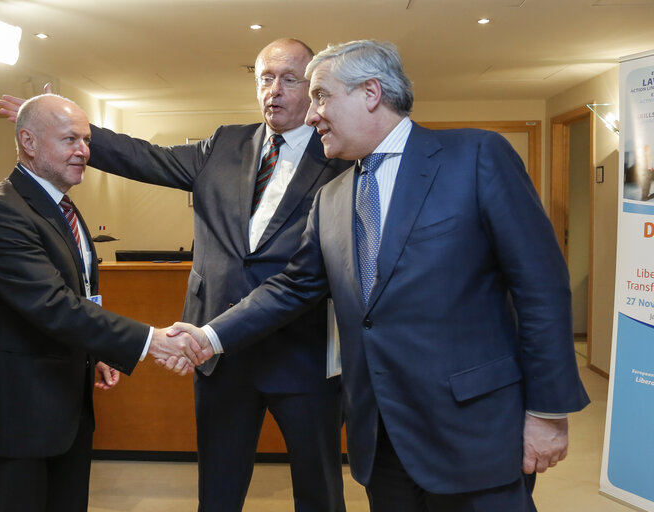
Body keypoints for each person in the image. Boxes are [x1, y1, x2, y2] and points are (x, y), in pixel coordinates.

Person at [171, 40, 591, 512]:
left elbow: (541, 287)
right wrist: (210, 336)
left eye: (321, 96)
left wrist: (548, 412)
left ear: (370, 92)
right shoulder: (330, 199)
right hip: (380, 436)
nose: (311, 115)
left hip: (474, 433)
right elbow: (292, 287)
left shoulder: (475, 156)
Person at [0, 38, 351, 512]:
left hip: (300, 353)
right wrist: (60, 126)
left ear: (311, 88)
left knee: (320, 489)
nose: (276, 90)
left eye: (290, 79)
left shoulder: (340, 159)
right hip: (218, 357)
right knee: (219, 490)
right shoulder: (225, 144)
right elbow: (147, 158)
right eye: (266, 78)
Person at [0, 93, 208, 512]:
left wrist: (96, 351)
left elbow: (79, 295)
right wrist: (153, 340)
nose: (84, 152)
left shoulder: (60, 208)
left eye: (87, 140)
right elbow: (53, 305)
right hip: (17, 416)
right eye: (70, 139)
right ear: (29, 142)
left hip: (64, 410)